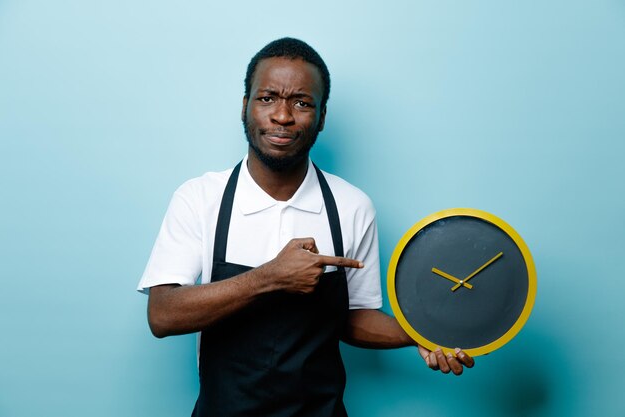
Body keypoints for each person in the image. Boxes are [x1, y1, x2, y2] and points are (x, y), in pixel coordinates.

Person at [138, 37, 474, 417]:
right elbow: (162, 314)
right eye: (267, 98)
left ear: (322, 116)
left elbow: (353, 318)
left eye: (302, 102)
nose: (283, 116)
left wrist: (419, 335)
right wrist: (270, 278)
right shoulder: (200, 198)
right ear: (244, 106)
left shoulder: (352, 206)